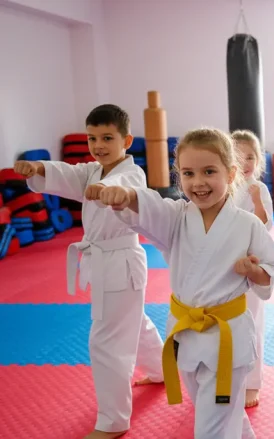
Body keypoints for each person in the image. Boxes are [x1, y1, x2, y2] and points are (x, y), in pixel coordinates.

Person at [98, 127, 274, 439]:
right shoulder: (176, 217)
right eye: (188, 173)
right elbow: (150, 208)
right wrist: (127, 197)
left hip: (228, 340)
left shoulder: (247, 224)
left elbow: (273, 268)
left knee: (210, 426)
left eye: (209, 171)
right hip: (185, 333)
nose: (198, 182)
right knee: (220, 413)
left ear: (231, 173)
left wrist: (253, 271)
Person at [14, 104, 165, 439]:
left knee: (106, 341)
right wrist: (38, 167)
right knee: (134, 321)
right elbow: (68, 174)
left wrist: (115, 192)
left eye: (107, 137)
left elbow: (130, 186)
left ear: (126, 140)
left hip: (120, 261)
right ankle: (160, 369)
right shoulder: (92, 171)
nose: (98, 144)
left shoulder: (131, 174)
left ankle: (113, 421)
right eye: (92, 137)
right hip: (108, 264)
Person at [232, 129, 273, 408]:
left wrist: (257, 200)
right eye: (239, 156)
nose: (246, 162)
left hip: (253, 264)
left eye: (251, 157)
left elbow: (264, 225)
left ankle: (253, 383)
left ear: (258, 161)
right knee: (229, 323)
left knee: (253, 323)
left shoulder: (259, 189)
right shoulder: (225, 186)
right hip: (227, 265)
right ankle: (231, 376)